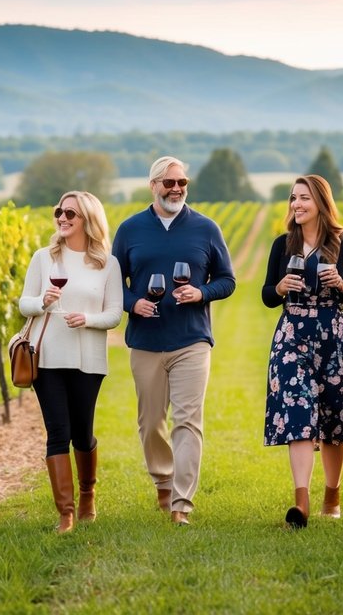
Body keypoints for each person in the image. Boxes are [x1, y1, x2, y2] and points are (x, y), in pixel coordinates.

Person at [111, 156, 236, 526]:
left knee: (188, 421)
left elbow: (227, 280)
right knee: (150, 422)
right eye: (169, 183)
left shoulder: (206, 228)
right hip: (146, 341)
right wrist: (135, 304)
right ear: (153, 186)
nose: (177, 189)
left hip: (191, 341)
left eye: (182, 182)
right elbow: (112, 285)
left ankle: (181, 503)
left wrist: (201, 293)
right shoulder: (130, 229)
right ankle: (163, 481)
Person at [262, 175, 343, 529]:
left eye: (303, 198)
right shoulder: (282, 245)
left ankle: (332, 493)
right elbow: (267, 295)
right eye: (292, 198)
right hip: (292, 335)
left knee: (334, 417)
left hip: (333, 335)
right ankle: (301, 502)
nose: (296, 205)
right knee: (297, 410)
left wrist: (342, 284)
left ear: (320, 203)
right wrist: (281, 287)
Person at [18, 191, 123, 533]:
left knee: (83, 432)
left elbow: (113, 315)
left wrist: (87, 319)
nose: (62, 218)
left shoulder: (107, 263)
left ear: (88, 220)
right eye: (59, 212)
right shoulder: (43, 258)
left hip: (88, 358)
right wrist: (42, 301)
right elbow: (24, 304)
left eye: (70, 214)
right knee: (57, 432)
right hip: (46, 356)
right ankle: (65, 513)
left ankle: (87, 494)